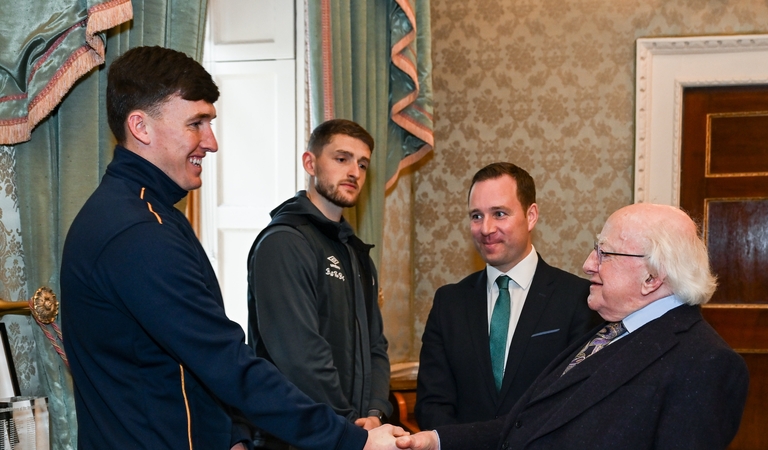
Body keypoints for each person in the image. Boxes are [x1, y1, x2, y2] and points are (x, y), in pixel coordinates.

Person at [60, 46, 404, 450]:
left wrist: (233, 438)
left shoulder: (154, 215)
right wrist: (351, 440)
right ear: (141, 127)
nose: (211, 142)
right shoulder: (136, 230)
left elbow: (187, 365)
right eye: (196, 123)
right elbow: (226, 361)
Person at [398, 203, 750, 450]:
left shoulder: (705, 363)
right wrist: (438, 440)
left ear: (652, 278)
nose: (587, 265)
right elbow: (531, 421)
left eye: (604, 253)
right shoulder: (608, 329)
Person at [414, 162, 600, 429]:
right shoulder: (449, 303)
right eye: (476, 216)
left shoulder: (579, 299)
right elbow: (432, 404)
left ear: (531, 215)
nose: (486, 228)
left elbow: (576, 402)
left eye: (499, 214)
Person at [246, 119, 392, 448]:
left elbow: (375, 346)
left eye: (363, 163)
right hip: (296, 437)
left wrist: (375, 412)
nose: (354, 171)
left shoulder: (357, 254)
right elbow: (301, 356)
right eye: (342, 159)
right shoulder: (284, 241)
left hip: (353, 433)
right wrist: (350, 426)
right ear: (310, 163)